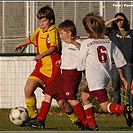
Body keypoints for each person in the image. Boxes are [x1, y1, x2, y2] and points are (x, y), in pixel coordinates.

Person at [14, 6, 80, 126]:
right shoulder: (39, 31)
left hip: (53, 72)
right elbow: (30, 39)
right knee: (28, 89)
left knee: (61, 103)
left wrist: (42, 55)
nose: (41, 23)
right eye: (39, 21)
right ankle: (33, 117)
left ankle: (77, 120)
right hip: (40, 69)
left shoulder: (53, 31)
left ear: (50, 20)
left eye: (43, 21)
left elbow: (54, 47)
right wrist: (20, 44)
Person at [25, 19, 96, 130]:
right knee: (48, 93)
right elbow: (66, 56)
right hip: (61, 74)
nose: (60, 36)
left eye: (62, 33)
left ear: (69, 33)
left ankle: (86, 122)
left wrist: (74, 43)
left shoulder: (80, 43)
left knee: (71, 99)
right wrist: (61, 61)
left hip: (71, 75)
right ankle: (40, 120)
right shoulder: (64, 43)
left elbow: (84, 53)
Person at [77, 12, 133, 128]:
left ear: (88, 32)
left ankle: (124, 109)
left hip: (95, 79)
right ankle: (92, 125)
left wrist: (84, 73)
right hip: (105, 76)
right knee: (85, 96)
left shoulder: (86, 43)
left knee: (104, 106)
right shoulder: (109, 42)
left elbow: (81, 63)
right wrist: (122, 77)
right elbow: (120, 61)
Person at [105, 12, 133, 109]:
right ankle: (117, 107)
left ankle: (130, 107)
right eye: (117, 21)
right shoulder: (112, 32)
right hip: (115, 64)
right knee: (115, 85)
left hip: (128, 64)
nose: (119, 22)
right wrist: (113, 19)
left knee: (129, 86)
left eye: (121, 20)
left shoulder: (131, 33)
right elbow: (101, 28)